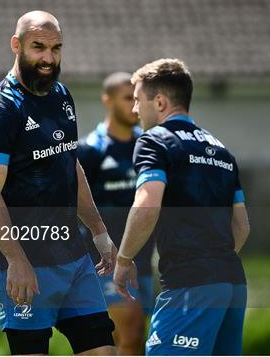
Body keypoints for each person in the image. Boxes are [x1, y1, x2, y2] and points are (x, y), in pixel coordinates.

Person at [0, 11, 117, 355]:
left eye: (56, 48)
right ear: (16, 45)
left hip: (74, 259)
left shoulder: (62, 96)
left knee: (104, 350)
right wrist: (16, 261)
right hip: (26, 264)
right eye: (38, 47)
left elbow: (71, 165)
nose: (48, 59)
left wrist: (98, 230)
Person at [113, 59, 250, 356]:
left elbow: (147, 204)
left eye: (138, 100)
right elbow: (242, 226)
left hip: (190, 284)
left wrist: (123, 261)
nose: (134, 110)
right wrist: (213, 265)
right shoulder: (220, 150)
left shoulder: (155, 141)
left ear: (160, 102)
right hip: (233, 283)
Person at [77, 72, 155, 355]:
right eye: (127, 99)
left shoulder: (149, 148)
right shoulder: (90, 150)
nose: (135, 106)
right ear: (107, 101)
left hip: (143, 259)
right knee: (125, 327)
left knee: (133, 340)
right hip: (105, 264)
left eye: (137, 99)